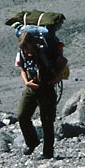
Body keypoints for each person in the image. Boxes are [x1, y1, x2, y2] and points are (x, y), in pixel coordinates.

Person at [15, 31, 62, 159]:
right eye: (23, 47)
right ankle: (32, 142)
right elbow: (23, 70)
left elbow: (63, 61)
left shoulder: (45, 52)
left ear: (32, 43)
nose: (25, 49)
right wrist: (26, 82)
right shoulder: (22, 53)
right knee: (22, 115)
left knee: (47, 121)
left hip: (46, 88)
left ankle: (48, 153)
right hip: (31, 88)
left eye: (26, 46)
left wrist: (57, 78)